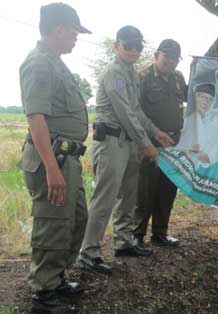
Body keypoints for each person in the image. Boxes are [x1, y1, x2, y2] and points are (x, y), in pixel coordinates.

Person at [78, 26, 174, 273]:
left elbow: (137, 111)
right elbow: (125, 113)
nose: (134, 50)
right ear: (117, 46)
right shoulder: (113, 73)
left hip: (129, 143)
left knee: (128, 196)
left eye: (138, 46)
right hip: (111, 143)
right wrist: (147, 144)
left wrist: (156, 132)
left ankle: (123, 242)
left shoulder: (131, 73)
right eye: (128, 45)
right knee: (105, 198)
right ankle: (88, 252)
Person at [18, 3, 91, 313]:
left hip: (66, 158)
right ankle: (43, 295)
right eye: (75, 32)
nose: (77, 38)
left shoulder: (56, 62)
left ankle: (57, 277)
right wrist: (51, 167)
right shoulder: (38, 63)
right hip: (52, 159)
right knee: (52, 224)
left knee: (75, 220)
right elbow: (36, 118)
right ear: (60, 29)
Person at [133, 39, 187, 247]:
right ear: (157, 56)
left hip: (174, 142)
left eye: (175, 58)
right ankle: (136, 235)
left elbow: (189, 98)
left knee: (168, 188)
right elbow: (134, 112)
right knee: (145, 190)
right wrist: (148, 139)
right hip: (150, 142)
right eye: (167, 57)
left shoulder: (178, 78)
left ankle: (160, 233)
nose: (171, 62)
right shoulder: (142, 78)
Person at [175, 83, 218, 169]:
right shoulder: (183, 119)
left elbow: (211, 157)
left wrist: (191, 152)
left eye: (210, 99)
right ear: (196, 97)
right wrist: (196, 153)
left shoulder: (214, 129)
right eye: (203, 97)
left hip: (193, 172)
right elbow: (174, 147)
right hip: (174, 165)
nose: (206, 102)